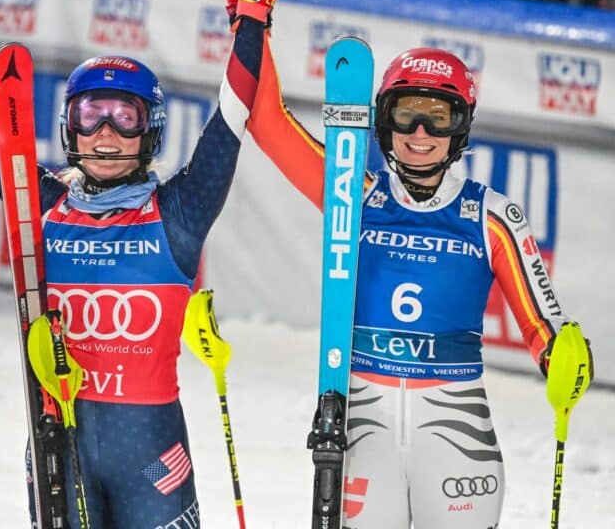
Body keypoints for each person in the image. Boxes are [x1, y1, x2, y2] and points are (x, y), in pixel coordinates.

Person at [0, 0, 282, 526]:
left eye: (126, 116)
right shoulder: (42, 204)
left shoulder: (181, 212)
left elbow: (232, 117)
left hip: (154, 460)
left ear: (151, 132)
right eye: (91, 115)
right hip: (61, 449)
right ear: (69, 129)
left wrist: (252, 13)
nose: (107, 132)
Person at [244, 41, 595, 527]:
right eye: (406, 114)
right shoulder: (350, 193)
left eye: (439, 116)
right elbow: (267, 123)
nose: (421, 133)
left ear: (462, 126)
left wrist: (562, 354)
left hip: (456, 436)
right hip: (364, 429)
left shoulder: (491, 216)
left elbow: (542, 323)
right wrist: (252, 15)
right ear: (383, 121)